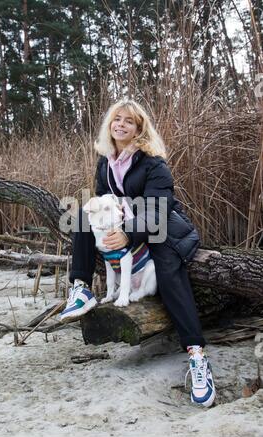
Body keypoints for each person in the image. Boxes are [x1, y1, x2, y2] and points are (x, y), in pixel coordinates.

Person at [59, 99, 216, 408]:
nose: (121, 125)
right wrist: (107, 228)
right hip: (126, 222)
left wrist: (127, 233)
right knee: (79, 215)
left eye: (128, 121)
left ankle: (197, 357)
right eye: (116, 119)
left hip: (160, 225)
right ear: (109, 125)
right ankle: (80, 288)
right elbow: (103, 201)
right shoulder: (106, 160)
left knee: (168, 268)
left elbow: (156, 212)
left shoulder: (153, 162)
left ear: (138, 128)